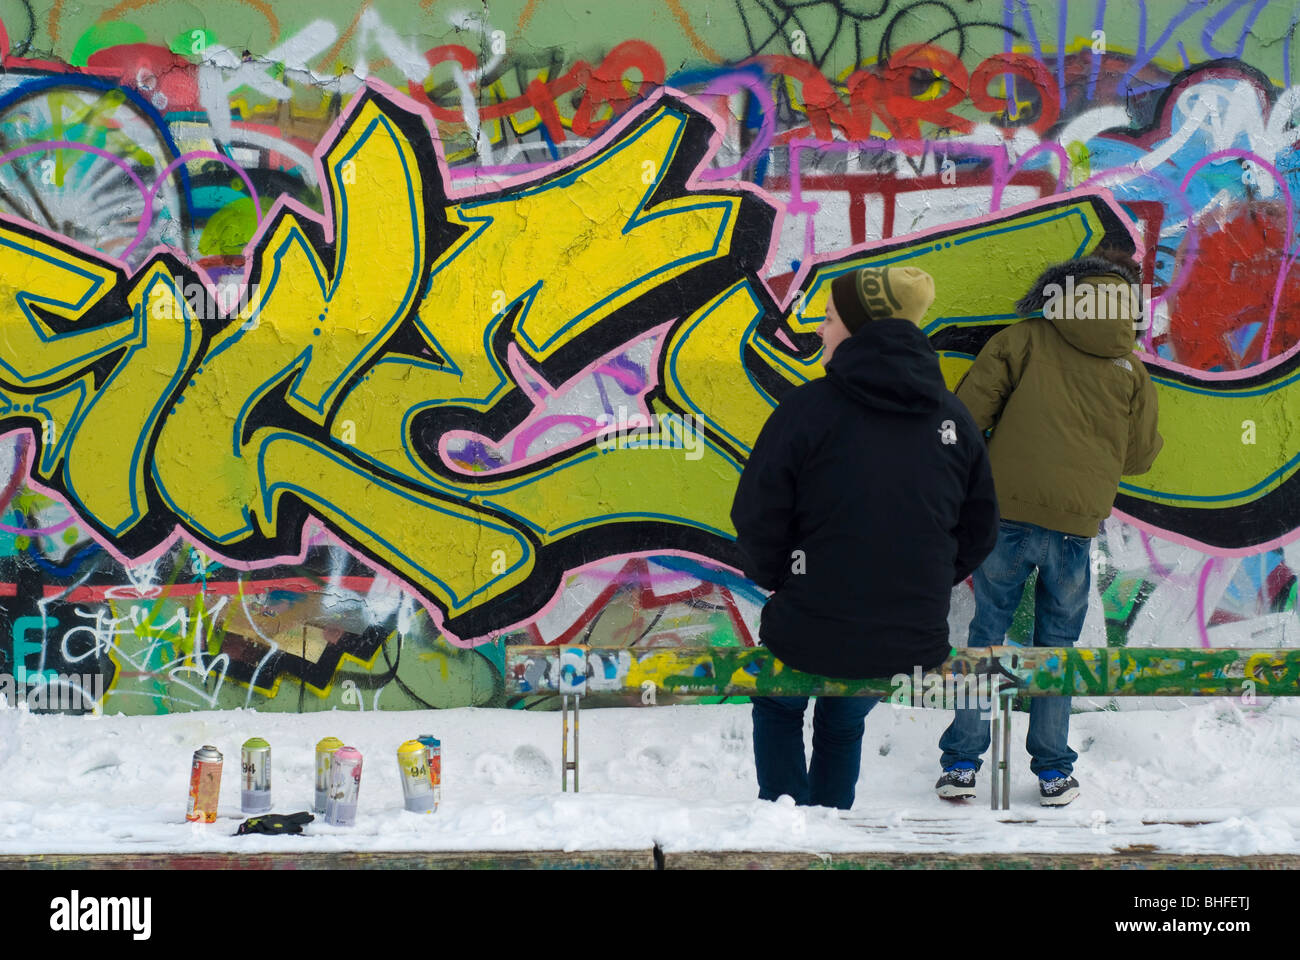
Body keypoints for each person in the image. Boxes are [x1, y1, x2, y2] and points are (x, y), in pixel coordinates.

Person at [730, 265, 999, 810]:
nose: (820, 330)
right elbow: (980, 529)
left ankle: (786, 839)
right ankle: (831, 833)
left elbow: (757, 515)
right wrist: (919, 581)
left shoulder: (806, 409)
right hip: (908, 638)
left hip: (809, 628)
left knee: (779, 705)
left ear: (857, 327)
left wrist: (782, 580)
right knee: (842, 723)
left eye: (829, 318)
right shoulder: (952, 416)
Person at [935, 250, 1163, 806]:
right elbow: (1139, 458)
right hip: (1076, 525)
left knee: (984, 636)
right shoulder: (1130, 367)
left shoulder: (1023, 340)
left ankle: (962, 763)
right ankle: (1053, 769)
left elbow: (967, 413)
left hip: (1006, 514)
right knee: (1056, 644)